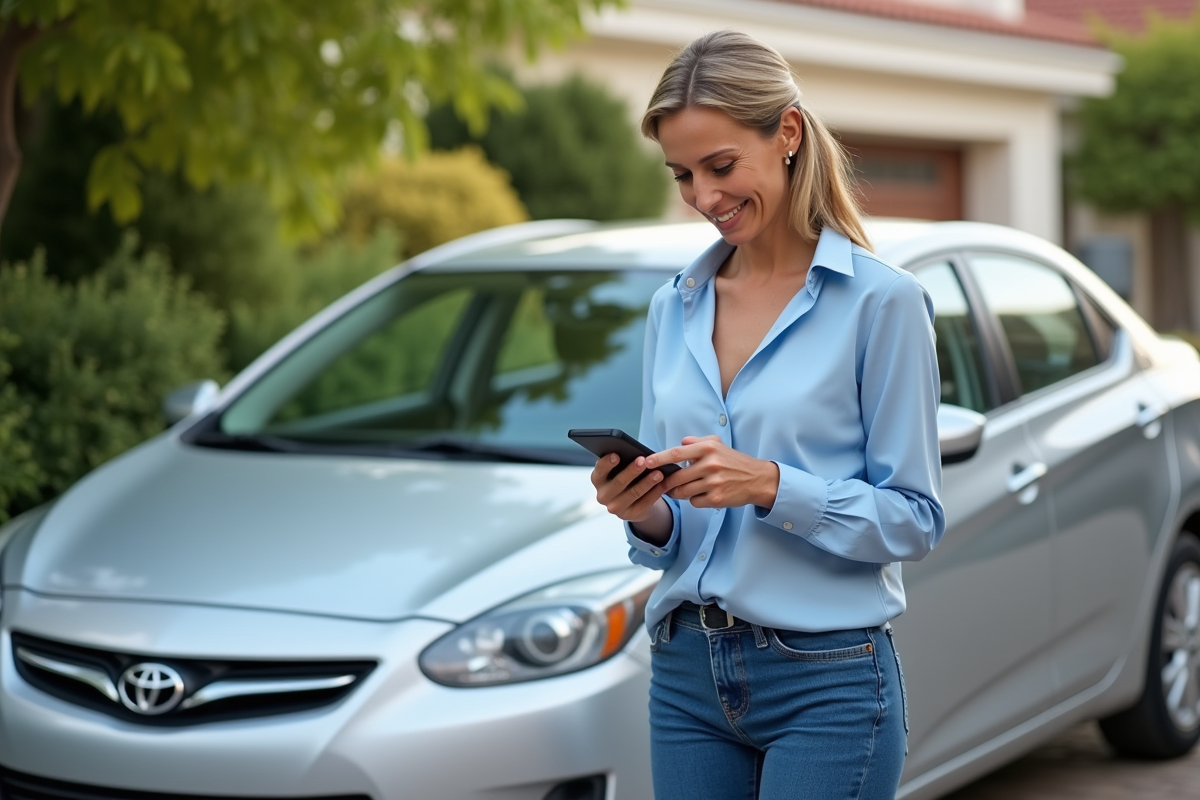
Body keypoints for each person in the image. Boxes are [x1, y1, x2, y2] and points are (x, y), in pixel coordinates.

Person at [589, 30, 945, 800]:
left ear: (786, 133)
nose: (703, 197)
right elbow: (682, 529)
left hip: (827, 681)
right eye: (682, 174)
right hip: (686, 674)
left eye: (721, 167)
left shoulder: (883, 304)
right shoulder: (672, 307)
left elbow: (914, 519)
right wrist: (644, 513)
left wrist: (773, 485)